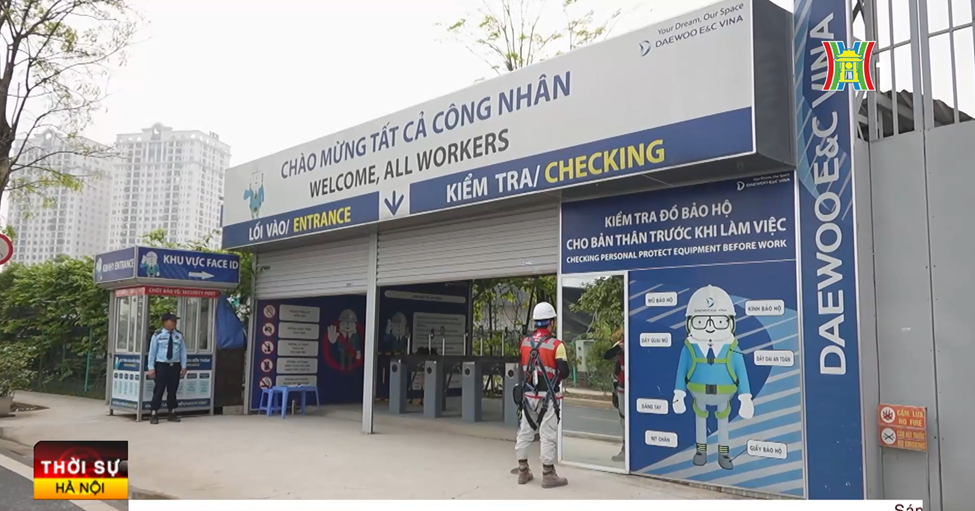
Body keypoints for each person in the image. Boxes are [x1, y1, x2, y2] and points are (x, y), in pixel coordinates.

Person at [672, 285, 753, 470]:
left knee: (723, 421)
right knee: (700, 419)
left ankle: (723, 452)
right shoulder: (689, 348)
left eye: (719, 322)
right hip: (698, 395)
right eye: (701, 322)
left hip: (724, 396)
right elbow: (681, 371)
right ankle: (701, 451)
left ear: (730, 323)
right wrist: (678, 394)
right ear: (690, 323)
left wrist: (745, 398)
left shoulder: (732, 348)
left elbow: (741, 372)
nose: (710, 327)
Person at [514, 302, 570, 488]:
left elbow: (524, 366)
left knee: (525, 431)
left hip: (529, 395)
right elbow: (564, 372)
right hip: (549, 397)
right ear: (551, 322)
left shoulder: (524, 343)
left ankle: (523, 471)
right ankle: (548, 474)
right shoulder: (556, 345)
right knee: (548, 434)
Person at [146, 312, 187, 425]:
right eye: (172, 321)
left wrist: (184, 365)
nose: (174, 323)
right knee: (159, 389)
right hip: (161, 366)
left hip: (175, 366)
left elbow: (182, 351)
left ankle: (171, 412)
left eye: (175, 321)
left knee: (172, 390)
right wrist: (151, 367)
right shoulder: (158, 335)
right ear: (165, 322)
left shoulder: (178, 335)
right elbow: (152, 352)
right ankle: (154, 413)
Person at [603, 332, 626, 462]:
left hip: (637, 388)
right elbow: (607, 355)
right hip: (622, 387)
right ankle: (625, 449)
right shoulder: (620, 345)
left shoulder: (639, 344)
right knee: (623, 420)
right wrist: (619, 347)